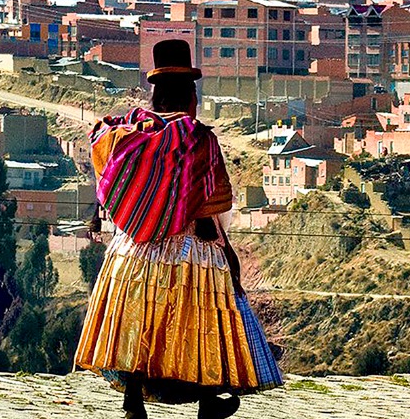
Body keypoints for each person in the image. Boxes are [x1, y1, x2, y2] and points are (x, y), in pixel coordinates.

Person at [75, 39, 282, 419]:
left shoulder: (131, 135)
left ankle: (133, 400)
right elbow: (216, 199)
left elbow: (115, 181)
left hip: (134, 248)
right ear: (190, 94)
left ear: (156, 93)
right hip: (191, 249)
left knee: (138, 321)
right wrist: (216, 236)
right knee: (202, 320)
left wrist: (145, 215)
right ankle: (208, 400)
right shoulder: (199, 139)